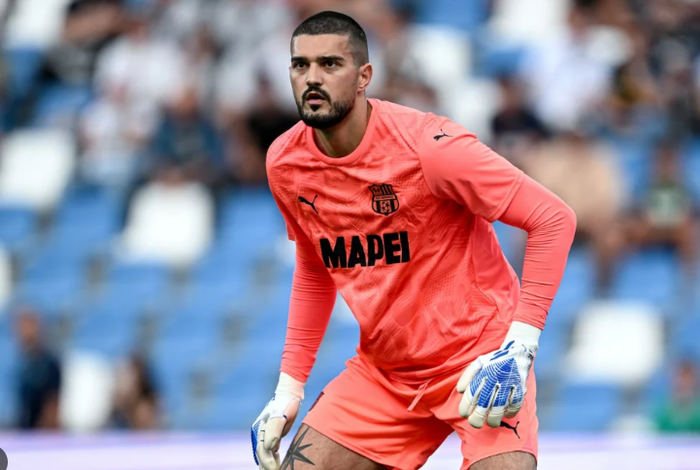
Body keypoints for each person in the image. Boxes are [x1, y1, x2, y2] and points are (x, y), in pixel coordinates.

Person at [252, 11, 576, 470]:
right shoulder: (285, 163)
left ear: (364, 76)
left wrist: (519, 347)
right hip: (385, 374)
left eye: (330, 64)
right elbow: (314, 266)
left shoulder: (430, 147)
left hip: (480, 362)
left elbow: (553, 219)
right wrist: (289, 387)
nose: (313, 78)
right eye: (300, 65)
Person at [14, 307, 62, 430]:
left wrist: (39, 437)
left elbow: (52, 409)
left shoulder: (49, 364)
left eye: (28, 326)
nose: (23, 332)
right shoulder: (24, 363)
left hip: (38, 435)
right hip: (24, 433)